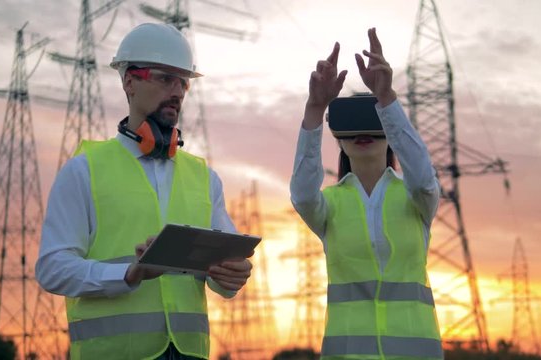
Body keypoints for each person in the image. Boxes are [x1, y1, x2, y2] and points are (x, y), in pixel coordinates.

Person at [36, 23, 253, 360]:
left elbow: (225, 273)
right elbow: (52, 268)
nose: (178, 91)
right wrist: (129, 273)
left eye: (183, 82)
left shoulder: (204, 178)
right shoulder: (83, 171)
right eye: (165, 78)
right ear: (129, 81)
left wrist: (233, 275)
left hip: (189, 353)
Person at [290, 28, 443, 359]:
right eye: (352, 125)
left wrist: (386, 99)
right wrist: (315, 109)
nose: (363, 132)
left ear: (389, 133)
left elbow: (424, 177)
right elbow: (302, 194)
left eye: (373, 121)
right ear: (340, 139)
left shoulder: (416, 197)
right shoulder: (329, 205)